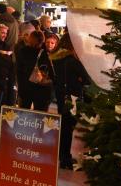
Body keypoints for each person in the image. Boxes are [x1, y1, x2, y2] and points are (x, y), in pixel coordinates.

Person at [51, 33, 90, 169]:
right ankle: (65, 159)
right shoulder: (72, 60)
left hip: (60, 95)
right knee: (68, 127)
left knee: (64, 127)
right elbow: (86, 79)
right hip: (73, 97)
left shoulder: (54, 57)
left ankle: (63, 156)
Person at [16, 30, 54, 112]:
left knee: (23, 114)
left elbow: (18, 70)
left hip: (25, 88)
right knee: (39, 116)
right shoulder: (45, 54)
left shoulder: (23, 51)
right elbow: (50, 72)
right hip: (41, 90)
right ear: (42, 40)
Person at [0, 23, 14, 132]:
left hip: (2, 78)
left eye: (6, 33)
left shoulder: (6, 45)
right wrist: (3, 55)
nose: (4, 35)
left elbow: (9, 63)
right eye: (2, 32)